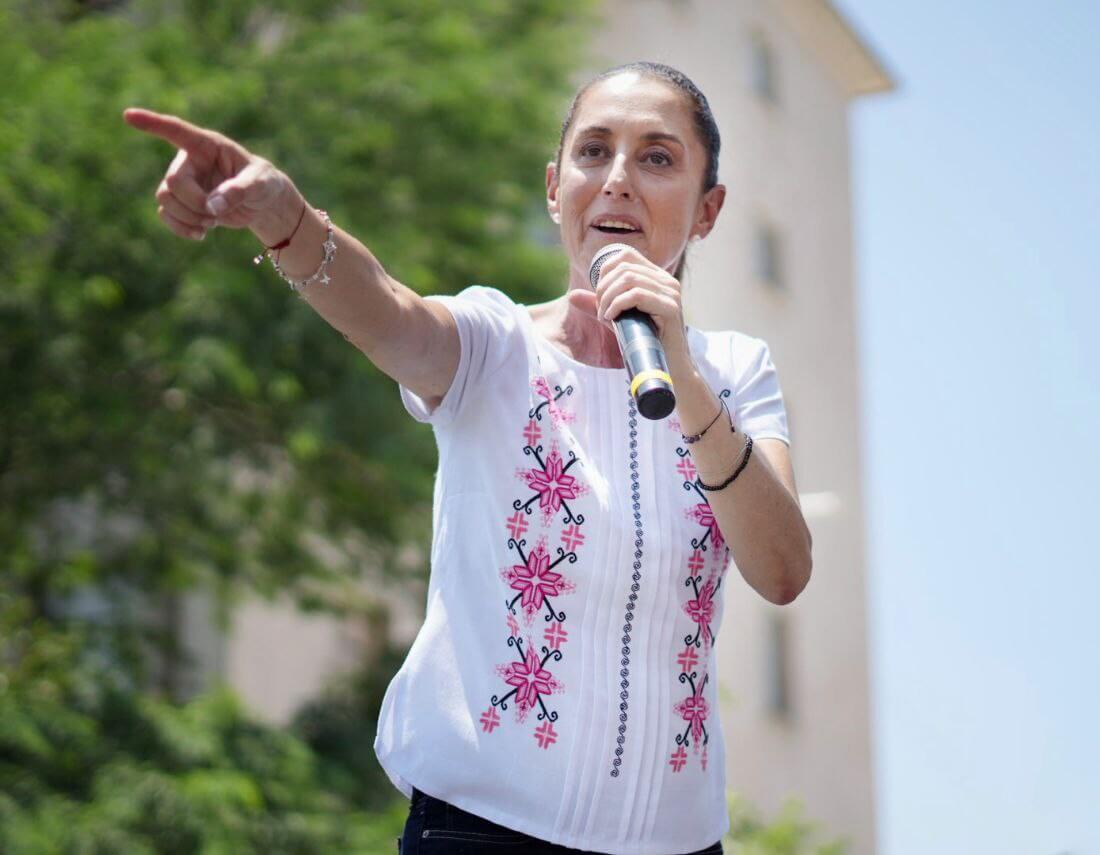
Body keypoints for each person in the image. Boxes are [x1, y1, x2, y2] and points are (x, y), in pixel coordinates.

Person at [125, 60, 811, 855]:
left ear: (708, 209)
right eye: (594, 152)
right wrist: (285, 215)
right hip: (480, 832)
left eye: (657, 158)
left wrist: (682, 373)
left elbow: (783, 568)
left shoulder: (736, 371)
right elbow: (390, 311)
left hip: (678, 843)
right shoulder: (495, 343)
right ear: (556, 189)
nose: (618, 179)